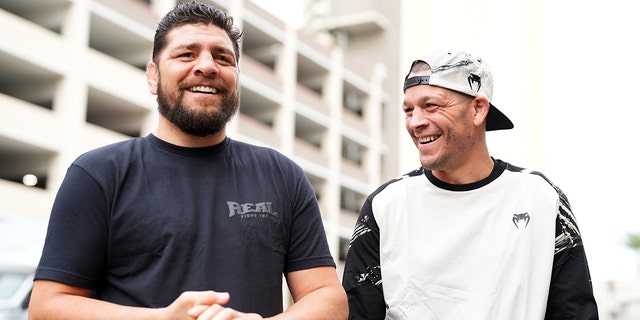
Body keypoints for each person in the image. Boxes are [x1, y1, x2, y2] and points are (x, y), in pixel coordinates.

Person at [28, 1, 347, 319]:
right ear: (152, 77)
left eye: (223, 57)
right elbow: (47, 307)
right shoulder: (98, 174)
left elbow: (328, 299)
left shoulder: (282, 175)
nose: (207, 66)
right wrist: (162, 319)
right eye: (186, 54)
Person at [342, 50, 599, 319]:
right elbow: (358, 312)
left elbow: (575, 312)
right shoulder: (386, 205)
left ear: (478, 109)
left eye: (431, 106)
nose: (415, 122)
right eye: (409, 110)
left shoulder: (541, 199)